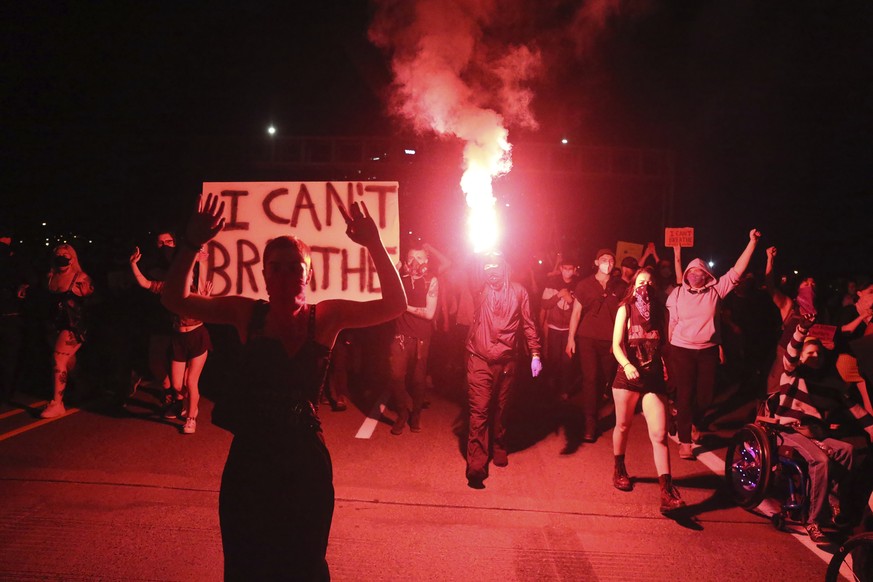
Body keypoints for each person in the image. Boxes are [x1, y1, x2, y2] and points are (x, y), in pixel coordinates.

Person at [161, 194, 405, 580]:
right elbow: (174, 298)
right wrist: (191, 244)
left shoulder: (325, 317)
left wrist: (373, 243)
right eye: (276, 267)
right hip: (251, 461)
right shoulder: (247, 314)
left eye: (296, 266)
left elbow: (395, 304)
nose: (286, 274)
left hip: (304, 461)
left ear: (309, 273)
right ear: (264, 275)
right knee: (246, 562)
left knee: (304, 562)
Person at [771, 315, 873, 543]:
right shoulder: (793, 374)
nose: (815, 356)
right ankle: (813, 521)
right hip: (789, 431)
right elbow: (790, 354)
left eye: (818, 353)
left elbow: (857, 411)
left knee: (847, 449)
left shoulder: (831, 382)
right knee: (821, 460)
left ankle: (834, 504)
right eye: (810, 353)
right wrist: (802, 329)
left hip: (815, 433)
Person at [666, 229, 760, 459]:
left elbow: (738, 270)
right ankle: (685, 441)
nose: (696, 274)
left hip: (707, 351)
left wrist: (752, 243)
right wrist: (670, 351)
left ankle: (693, 421)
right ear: (687, 274)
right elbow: (672, 324)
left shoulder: (716, 291)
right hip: (682, 349)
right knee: (685, 395)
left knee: (706, 396)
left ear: (707, 274)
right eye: (692, 271)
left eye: (700, 271)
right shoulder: (677, 294)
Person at [610, 268, 685, 514]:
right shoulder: (626, 309)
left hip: (653, 379)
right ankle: (619, 469)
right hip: (628, 376)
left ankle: (667, 491)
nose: (646, 286)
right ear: (633, 285)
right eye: (641, 282)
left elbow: (665, 345)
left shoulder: (660, 313)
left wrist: (668, 372)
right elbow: (616, 345)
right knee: (623, 426)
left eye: (650, 282)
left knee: (660, 434)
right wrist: (627, 364)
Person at [465, 250, 542, 489]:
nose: (491, 271)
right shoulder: (480, 289)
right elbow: (472, 270)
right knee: (479, 410)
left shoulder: (519, 292)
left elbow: (529, 324)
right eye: (487, 267)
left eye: (495, 265)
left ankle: (499, 445)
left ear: (505, 267)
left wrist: (536, 354)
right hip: (479, 358)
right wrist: (479, 248)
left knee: (501, 409)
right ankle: (476, 466)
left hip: (508, 360)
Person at [130, 245, 212, 434]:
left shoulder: (197, 286)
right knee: (176, 385)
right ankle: (187, 402)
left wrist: (201, 258)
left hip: (197, 335)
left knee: (191, 381)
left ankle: (191, 418)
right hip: (178, 337)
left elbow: (199, 268)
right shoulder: (168, 287)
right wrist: (133, 264)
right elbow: (144, 283)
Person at [566, 248, 627, 444]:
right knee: (590, 379)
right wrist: (570, 338)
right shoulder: (584, 284)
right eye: (603, 259)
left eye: (610, 260)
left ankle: (597, 411)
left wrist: (621, 342)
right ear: (596, 261)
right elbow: (576, 313)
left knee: (604, 380)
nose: (607, 263)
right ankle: (590, 423)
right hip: (587, 338)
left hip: (610, 342)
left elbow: (625, 316)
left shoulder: (620, 286)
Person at [388, 243, 439, 434]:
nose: (414, 261)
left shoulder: (431, 280)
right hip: (400, 335)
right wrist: (396, 266)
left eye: (419, 257)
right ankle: (402, 413)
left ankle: (415, 414)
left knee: (418, 380)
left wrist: (404, 306)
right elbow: (382, 280)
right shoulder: (399, 278)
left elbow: (429, 313)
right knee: (396, 375)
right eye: (411, 257)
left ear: (426, 260)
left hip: (421, 339)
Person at [40, 244, 94, 418]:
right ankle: (86, 387)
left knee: (58, 359)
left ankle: (57, 403)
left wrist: (86, 294)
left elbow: (93, 301)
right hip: (53, 325)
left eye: (66, 254)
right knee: (68, 362)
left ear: (73, 258)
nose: (62, 257)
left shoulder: (80, 277)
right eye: (58, 254)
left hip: (72, 326)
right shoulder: (50, 277)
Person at [540, 254, 579, 405]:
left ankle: (564, 390)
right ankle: (551, 387)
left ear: (574, 270)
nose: (567, 272)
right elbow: (545, 304)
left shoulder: (578, 285)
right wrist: (558, 295)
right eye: (565, 269)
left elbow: (579, 311)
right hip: (554, 328)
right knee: (554, 359)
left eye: (570, 269)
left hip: (569, 330)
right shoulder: (552, 283)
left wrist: (570, 300)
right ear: (561, 268)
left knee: (567, 361)